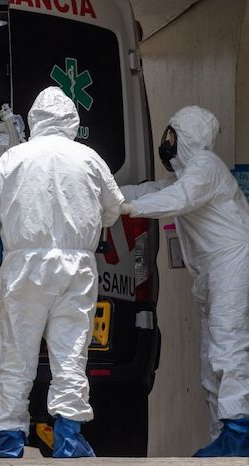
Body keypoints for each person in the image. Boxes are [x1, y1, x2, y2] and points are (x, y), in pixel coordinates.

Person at [0, 86, 124, 458]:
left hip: (25, 267)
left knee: (15, 351)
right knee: (71, 351)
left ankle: (8, 438)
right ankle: (69, 438)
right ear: (73, 121)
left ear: (35, 118)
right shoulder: (89, 158)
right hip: (77, 267)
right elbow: (114, 208)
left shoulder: (14, 157)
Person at [120, 106, 249, 457]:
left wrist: (129, 210)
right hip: (214, 270)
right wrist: (110, 193)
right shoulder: (189, 173)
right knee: (212, 355)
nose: (167, 142)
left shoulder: (205, 167)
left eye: (172, 134)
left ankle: (239, 433)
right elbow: (151, 189)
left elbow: (177, 199)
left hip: (231, 264)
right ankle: (224, 434)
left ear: (187, 136)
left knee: (228, 345)